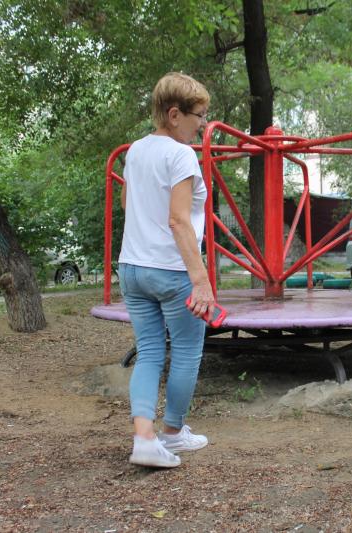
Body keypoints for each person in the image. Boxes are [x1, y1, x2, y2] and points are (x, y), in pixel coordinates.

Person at [118, 72, 214, 468]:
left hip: (131, 268)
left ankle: (144, 440)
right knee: (188, 350)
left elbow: (127, 203)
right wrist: (201, 281)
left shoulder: (136, 150)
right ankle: (172, 435)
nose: (203, 123)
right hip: (173, 271)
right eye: (198, 115)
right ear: (174, 115)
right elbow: (179, 221)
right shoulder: (181, 155)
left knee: (150, 353)